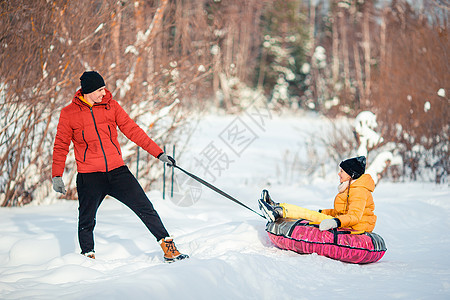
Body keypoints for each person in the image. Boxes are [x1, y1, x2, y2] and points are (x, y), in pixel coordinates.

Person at [52, 71, 188, 262]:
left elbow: (133, 131)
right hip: (90, 176)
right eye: (99, 90)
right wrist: (57, 175)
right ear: (88, 90)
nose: (104, 93)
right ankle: (87, 258)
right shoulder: (69, 114)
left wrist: (159, 153)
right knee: (86, 220)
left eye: (103, 88)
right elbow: (61, 145)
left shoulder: (111, 105)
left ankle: (168, 247)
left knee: (146, 208)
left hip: (117, 172)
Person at [258, 156, 377, 232]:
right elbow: (342, 211)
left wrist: (336, 222)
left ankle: (278, 212)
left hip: (355, 228)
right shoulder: (352, 188)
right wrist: (323, 212)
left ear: (351, 174)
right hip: (348, 223)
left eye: (342, 171)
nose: (338, 174)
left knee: (310, 215)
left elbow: (355, 217)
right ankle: (276, 206)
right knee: (313, 214)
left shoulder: (359, 191)